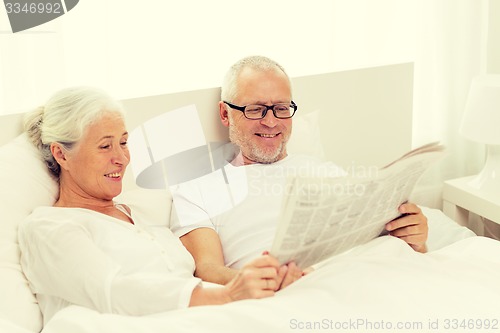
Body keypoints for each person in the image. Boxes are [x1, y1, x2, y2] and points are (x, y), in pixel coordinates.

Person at [18, 86, 286, 325]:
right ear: (61, 153)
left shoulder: (144, 211)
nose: (121, 158)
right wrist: (226, 295)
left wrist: (264, 279)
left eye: (123, 142)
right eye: (105, 147)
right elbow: (113, 290)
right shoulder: (47, 227)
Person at [170, 55, 429, 288]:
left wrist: (414, 236)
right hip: (290, 292)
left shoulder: (325, 172)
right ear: (225, 114)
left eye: (281, 109)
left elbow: (374, 240)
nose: (271, 122)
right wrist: (262, 281)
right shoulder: (197, 187)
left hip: (365, 277)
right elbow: (208, 270)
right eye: (256, 109)